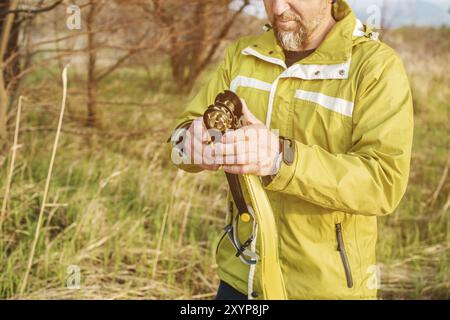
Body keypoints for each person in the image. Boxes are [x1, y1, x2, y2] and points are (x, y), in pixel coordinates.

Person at [167, 0, 413, 300]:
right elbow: (180, 135)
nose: (278, 9)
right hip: (241, 278)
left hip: (325, 288)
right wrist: (190, 144)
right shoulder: (242, 55)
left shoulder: (375, 67)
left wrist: (278, 158)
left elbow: (384, 183)